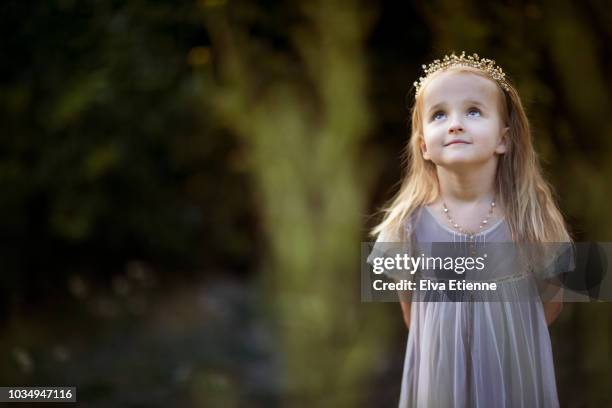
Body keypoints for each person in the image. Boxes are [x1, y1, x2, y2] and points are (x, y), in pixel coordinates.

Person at [369, 52, 573, 407]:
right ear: (423, 146)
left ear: (503, 139)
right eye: (439, 114)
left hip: (512, 379)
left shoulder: (529, 217)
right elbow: (410, 308)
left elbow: (552, 297)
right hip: (441, 382)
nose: (455, 124)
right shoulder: (408, 225)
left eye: (473, 111)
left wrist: (512, 334)